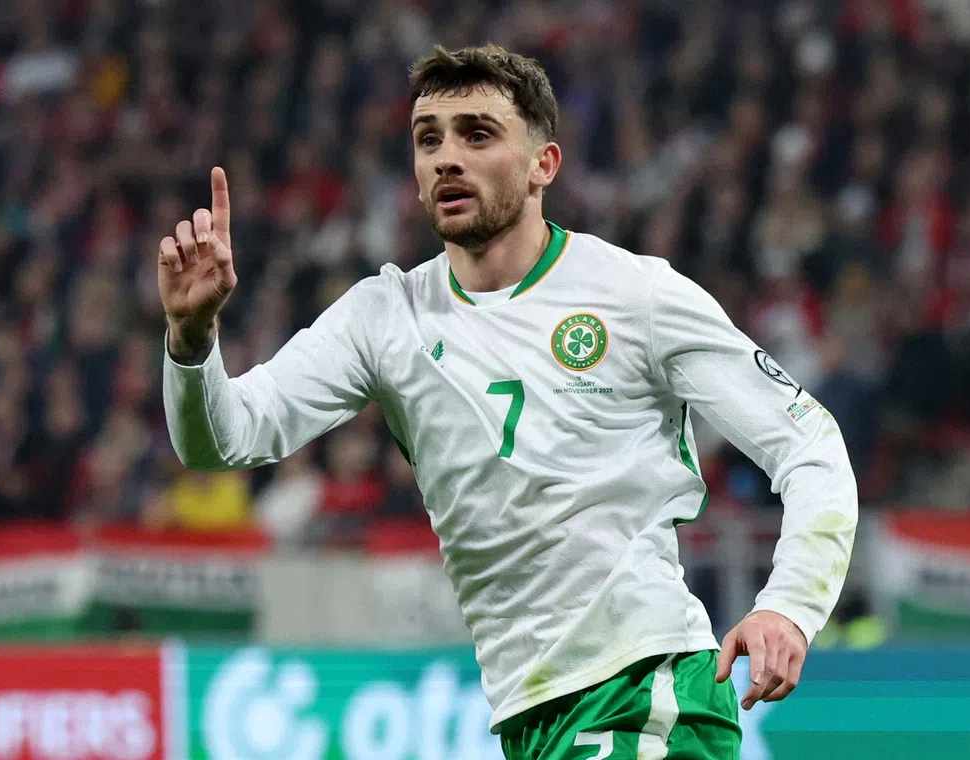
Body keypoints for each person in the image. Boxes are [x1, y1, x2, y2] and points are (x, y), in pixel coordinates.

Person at [159, 44, 857, 760]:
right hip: (533, 716)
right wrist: (191, 337)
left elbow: (809, 445)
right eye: (429, 138)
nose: (445, 157)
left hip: (643, 694)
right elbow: (224, 437)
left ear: (542, 165)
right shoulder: (385, 317)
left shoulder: (635, 295)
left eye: (477, 134)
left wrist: (789, 607)